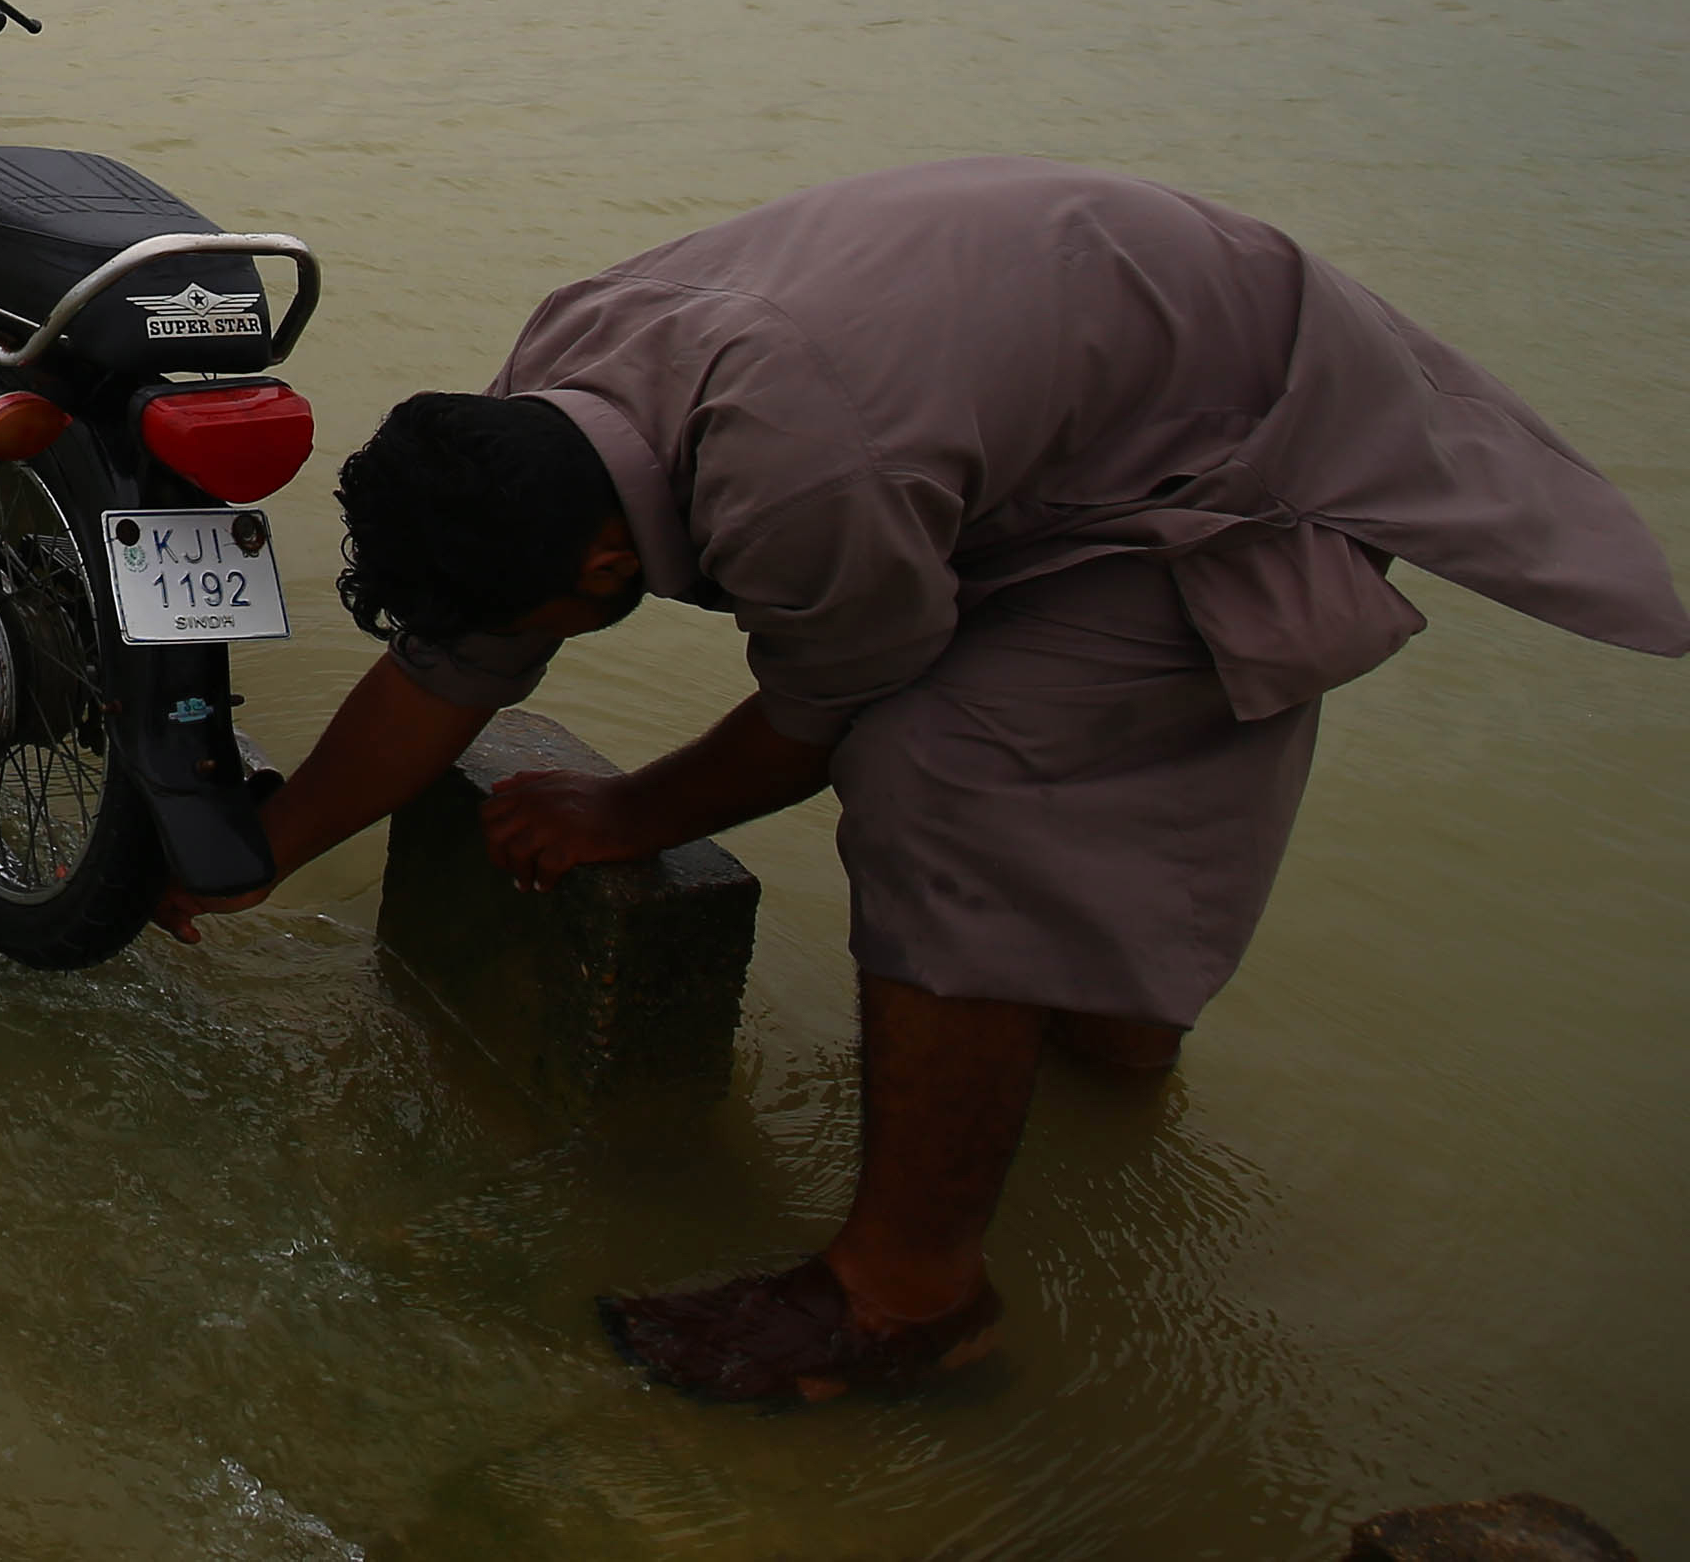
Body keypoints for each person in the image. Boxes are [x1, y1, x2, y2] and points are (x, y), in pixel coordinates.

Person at [168, 157, 1685, 1405]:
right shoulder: (551, 394)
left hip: (1242, 460)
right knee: (1080, 909)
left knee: (942, 767)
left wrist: (628, 811)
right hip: (1112, 389)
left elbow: (830, 711)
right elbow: (457, 665)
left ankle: (909, 1296)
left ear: (608, 563)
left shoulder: (803, 472)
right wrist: (265, 844)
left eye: (540, 613)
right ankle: (1097, 1056)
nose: (511, 644)